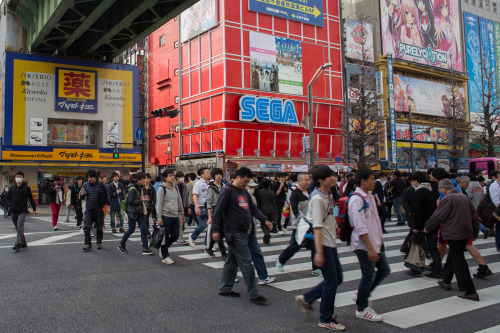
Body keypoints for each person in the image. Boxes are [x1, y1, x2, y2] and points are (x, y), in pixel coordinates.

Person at [295, 165, 345, 331]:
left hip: (329, 242)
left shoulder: (327, 194)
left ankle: (308, 299)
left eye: (333, 175)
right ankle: (325, 318)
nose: (333, 178)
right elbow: (317, 227)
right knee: (332, 281)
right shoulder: (317, 199)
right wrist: (319, 252)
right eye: (329, 176)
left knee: (337, 278)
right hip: (323, 244)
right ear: (320, 180)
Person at [212, 167, 272, 306]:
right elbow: (218, 211)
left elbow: (253, 209)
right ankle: (254, 293)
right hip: (234, 232)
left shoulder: (243, 191)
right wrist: (216, 229)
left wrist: (265, 220)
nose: (246, 184)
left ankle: (225, 288)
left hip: (245, 232)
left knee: (232, 262)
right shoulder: (227, 190)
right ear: (237, 177)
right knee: (246, 263)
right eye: (245, 181)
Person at [425, 179, 480, 301]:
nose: (440, 191)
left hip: (454, 233)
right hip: (465, 232)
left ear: (444, 188)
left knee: (459, 261)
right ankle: (446, 280)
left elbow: (438, 215)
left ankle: (469, 290)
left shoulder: (447, 199)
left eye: (440, 189)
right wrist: (475, 232)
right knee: (454, 255)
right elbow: (474, 215)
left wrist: (428, 227)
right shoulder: (463, 197)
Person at [350, 169, 390, 322]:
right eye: (372, 179)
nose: (375, 182)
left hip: (376, 241)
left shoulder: (370, 196)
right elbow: (360, 226)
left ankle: (361, 295)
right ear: (363, 181)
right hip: (365, 245)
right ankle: (361, 307)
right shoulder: (357, 199)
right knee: (368, 275)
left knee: (384, 270)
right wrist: (371, 248)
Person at [276, 173, 320, 276]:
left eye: (308, 180)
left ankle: (316, 268)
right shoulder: (295, 193)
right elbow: (295, 210)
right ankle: (281, 260)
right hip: (300, 225)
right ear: (299, 181)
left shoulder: (309, 192)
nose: (308, 182)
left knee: (315, 245)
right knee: (296, 245)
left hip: (310, 223)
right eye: (305, 180)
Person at [246, 179, 277, 285]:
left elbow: (255, 211)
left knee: (256, 253)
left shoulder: (253, 198)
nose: (252, 189)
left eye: (253, 187)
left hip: (251, 229)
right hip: (240, 231)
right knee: (235, 256)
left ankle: (263, 276)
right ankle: (230, 278)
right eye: (250, 187)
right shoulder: (237, 196)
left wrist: (265, 220)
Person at [118, 172, 155, 255]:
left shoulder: (140, 188)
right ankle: (121, 244)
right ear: (138, 180)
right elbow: (130, 201)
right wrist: (141, 200)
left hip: (140, 211)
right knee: (131, 229)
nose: (145, 180)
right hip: (133, 212)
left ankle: (145, 248)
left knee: (144, 229)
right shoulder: (133, 189)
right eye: (143, 179)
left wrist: (144, 198)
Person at [411, 171, 440, 278]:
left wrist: (417, 227)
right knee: (433, 247)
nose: (412, 183)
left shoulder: (419, 192)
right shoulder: (430, 190)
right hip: (433, 221)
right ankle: (438, 268)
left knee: (419, 245)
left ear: (416, 181)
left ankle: (416, 268)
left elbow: (418, 211)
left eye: (413, 181)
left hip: (424, 224)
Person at [155, 169, 185, 264]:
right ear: (165, 178)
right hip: (165, 215)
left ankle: (164, 248)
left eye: (173, 175)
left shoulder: (175, 188)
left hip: (175, 215)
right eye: (170, 175)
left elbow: (179, 201)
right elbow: (158, 204)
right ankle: (165, 256)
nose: (172, 177)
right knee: (166, 237)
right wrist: (159, 217)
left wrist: (182, 212)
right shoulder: (161, 189)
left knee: (176, 235)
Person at [80, 170, 109, 252]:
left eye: (91, 177)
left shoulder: (101, 184)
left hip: (99, 209)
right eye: (88, 177)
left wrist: (109, 206)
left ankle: (99, 242)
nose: (89, 179)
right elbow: (80, 196)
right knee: (86, 227)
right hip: (89, 209)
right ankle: (88, 244)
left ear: (95, 177)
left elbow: (107, 194)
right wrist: (82, 195)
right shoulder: (85, 185)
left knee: (99, 228)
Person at [8, 172, 37, 252]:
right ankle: (23, 242)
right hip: (14, 210)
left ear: (23, 178)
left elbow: (31, 198)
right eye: (17, 176)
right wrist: (10, 205)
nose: (18, 178)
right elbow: (8, 198)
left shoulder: (26, 188)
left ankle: (18, 243)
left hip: (23, 210)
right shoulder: (12, 188)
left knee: (19, 225)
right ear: (15, 178)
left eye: (20, 176)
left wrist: (34, 208)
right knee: (17, 227)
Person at [206, 168, 227, 258]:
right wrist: (210, 216)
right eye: (217, 174)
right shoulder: (211, 187)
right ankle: (224, 254)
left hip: (224, 211)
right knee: (219, 231)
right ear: (214, 176)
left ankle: (209, 247)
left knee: (220, 232)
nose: (219, 176)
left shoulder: (224, 186)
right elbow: (209, 202)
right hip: (215, 211)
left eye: (220, 174)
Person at [188, 168, 211, 248]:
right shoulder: (198, 184)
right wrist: (196, 207)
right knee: (202, 225)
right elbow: (195, 195)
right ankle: (192, 236)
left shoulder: (210, 183)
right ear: (202, 174)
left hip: (210, 207)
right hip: (201, 207)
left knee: (211, 226)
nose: (209, 173)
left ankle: (207, 244)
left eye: (209, 172)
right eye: (207, 172)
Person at [256, 178, 276, 244]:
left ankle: (267, 234)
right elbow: (273, 202)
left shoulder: (260, 192)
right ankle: (266, 239)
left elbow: (258, 202)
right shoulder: (272, 192)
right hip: (271, 210)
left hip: (263, 210)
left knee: (263, 224)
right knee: (269, 223)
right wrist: (275, 211)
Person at [175, 171, 190, 245]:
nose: (182, 178)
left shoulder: (185, 186)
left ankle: (180, 238)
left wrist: (188, 206)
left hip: (182, 207)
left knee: (181, 224)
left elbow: (187, 197)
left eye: (183, 177)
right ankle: (177, 237)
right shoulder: (174, 185)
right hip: (174, 207)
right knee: (177, 224)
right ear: (177, 178)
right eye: (181, 177)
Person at [488, 170, 500, 252]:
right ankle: (499, 245)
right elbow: (495, 199)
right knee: (499, 227)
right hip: (499, 209)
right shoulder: (494, 185)